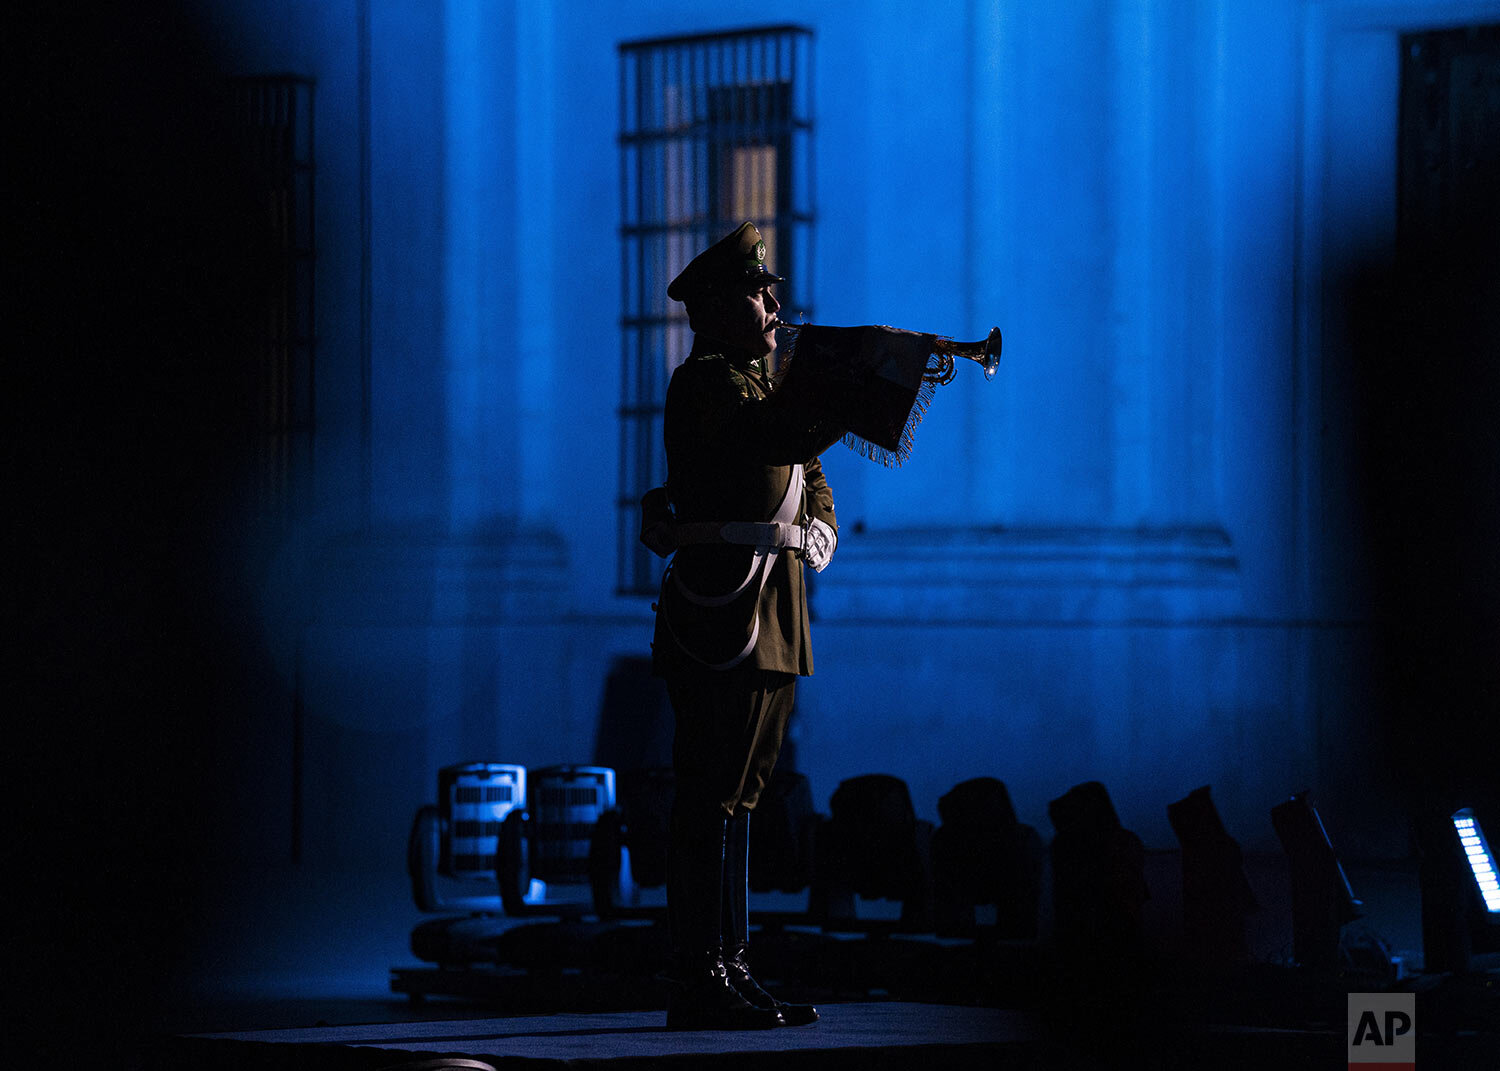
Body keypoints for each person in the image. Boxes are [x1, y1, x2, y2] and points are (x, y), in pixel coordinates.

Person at [646, 222, 843, 1030]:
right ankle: (699, 975)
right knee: (709, 799)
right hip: (724, 615)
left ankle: (732, 965)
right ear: (719, 309)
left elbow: (813, 478)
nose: (774, 305)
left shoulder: (761, 388)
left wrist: (821, 530)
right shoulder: (707, 386)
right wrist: (855, 381)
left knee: (743, 800)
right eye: (760, 294)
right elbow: (782, 440)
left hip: (775, 617)